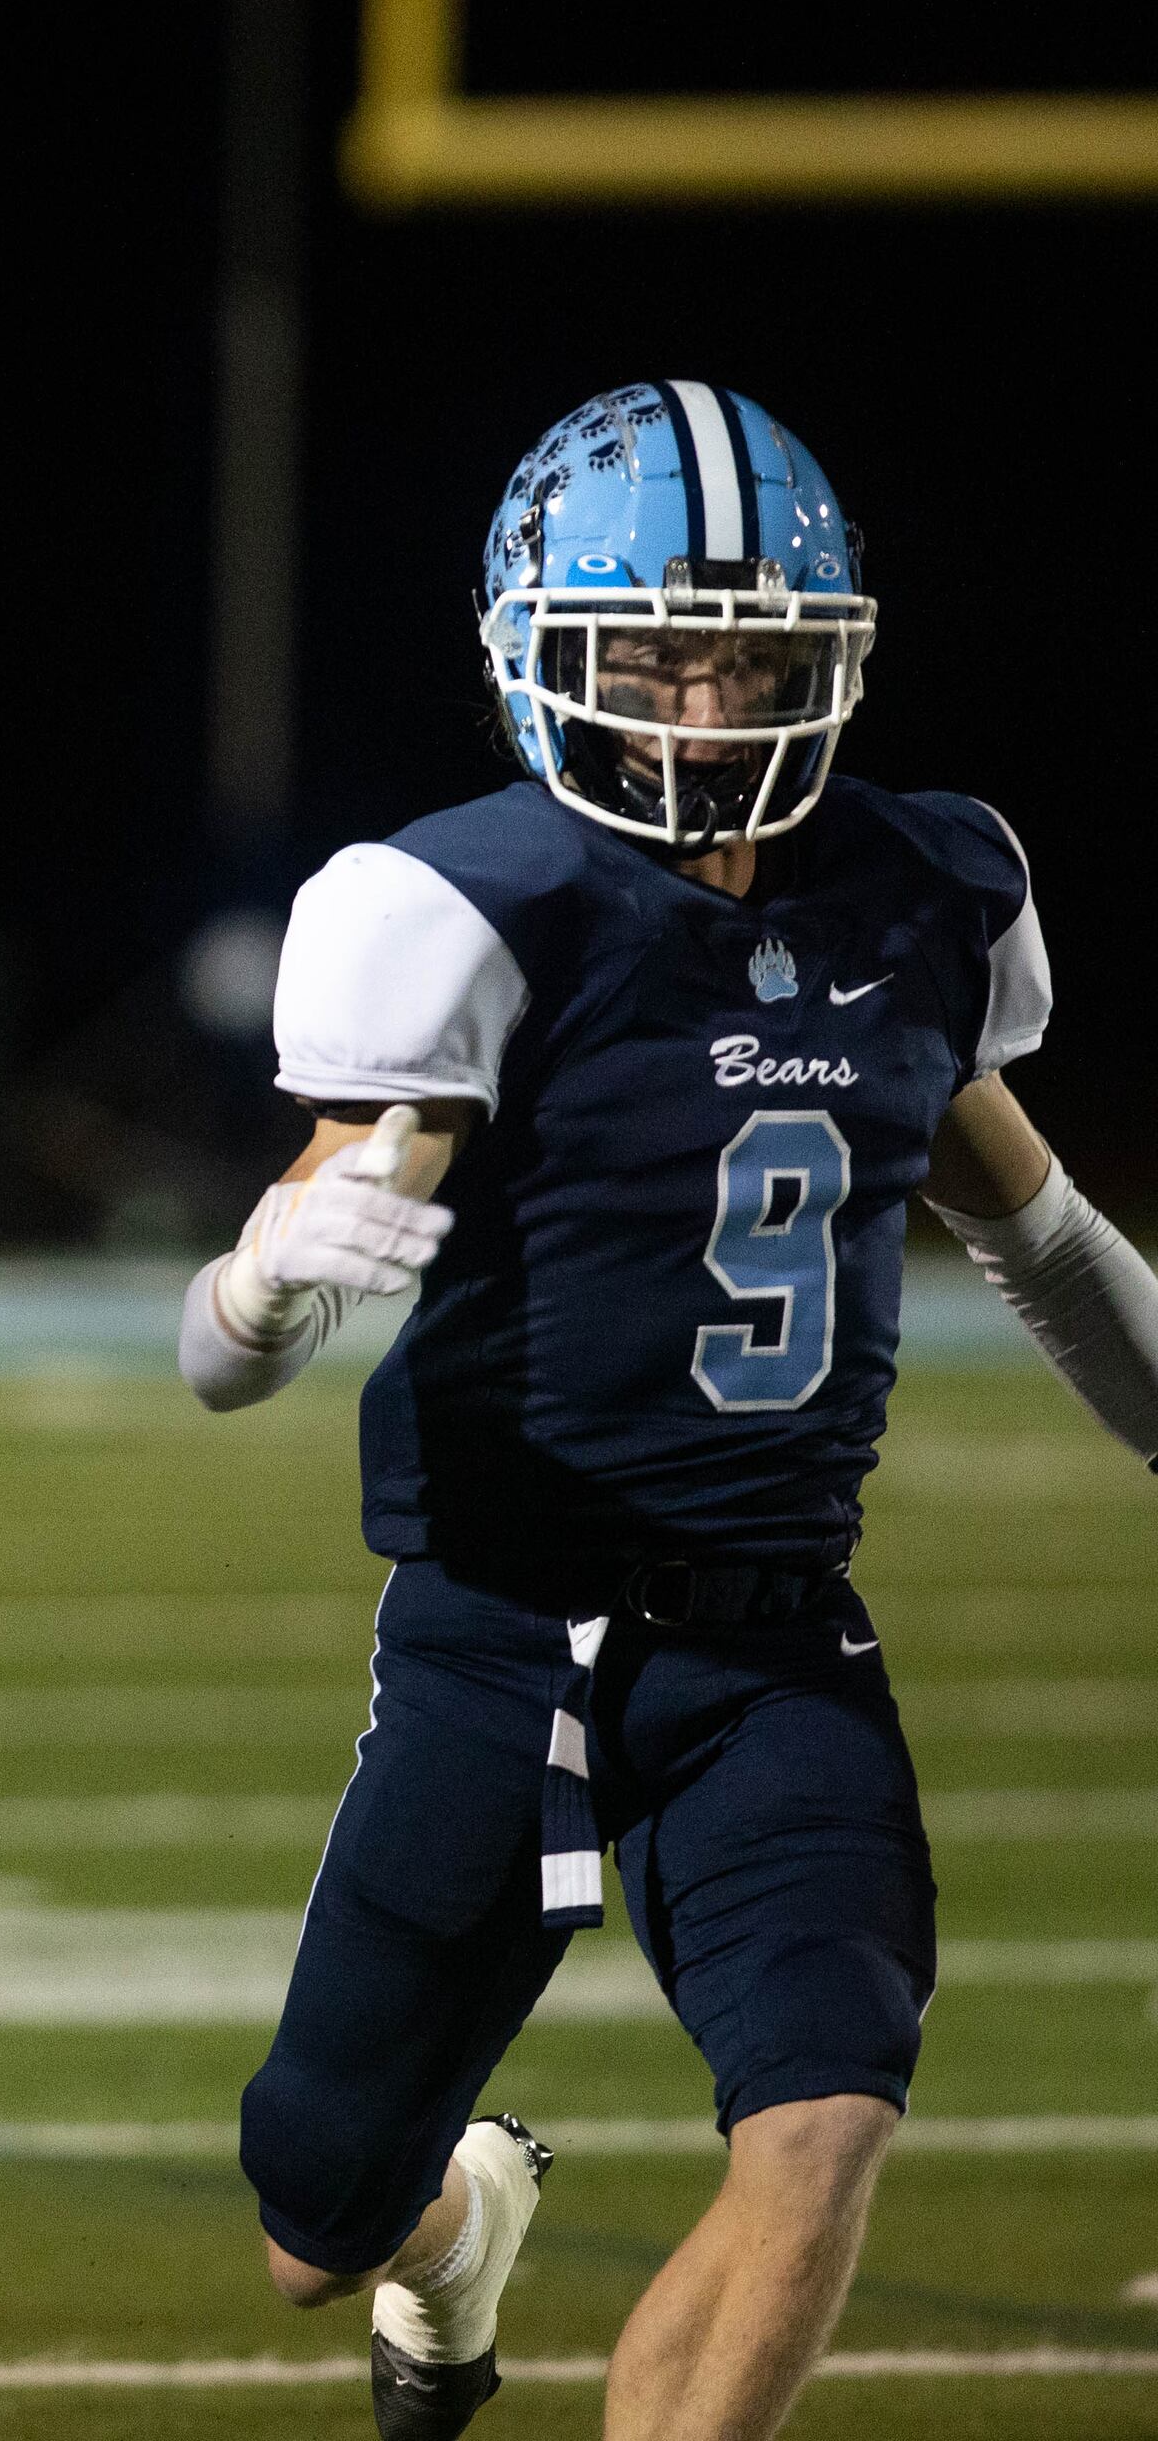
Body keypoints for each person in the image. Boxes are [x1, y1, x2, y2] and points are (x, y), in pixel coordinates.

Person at [181, 381, 1158, 2441]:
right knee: (310, 2216)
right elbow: (238, 1342)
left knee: (819, 2125)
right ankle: (451, 2223)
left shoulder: (917, 892)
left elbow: (1046, 1240)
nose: (710, 700)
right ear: (549, 652)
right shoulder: (472, 907)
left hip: (774, 1632)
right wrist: (256, 1288)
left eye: (754, 655)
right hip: (500, 1632)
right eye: (658, 654)